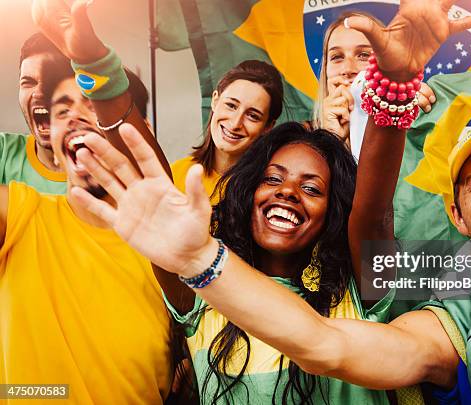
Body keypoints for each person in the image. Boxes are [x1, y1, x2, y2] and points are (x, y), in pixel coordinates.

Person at [71, 2, 471, 404]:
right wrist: (93, 61)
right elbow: (142, 164)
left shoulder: (359, 293)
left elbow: (332, 326)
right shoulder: (208, 297)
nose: (288, 193)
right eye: (274, 179)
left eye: (312, 189)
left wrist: (393, 91)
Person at [0, 61, 174, 404]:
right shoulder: (20, 216)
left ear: (142, 132)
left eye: (96, 106)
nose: (75, 116)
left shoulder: (170, 253)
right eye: (63, 108)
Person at [312, 12, 436, 155]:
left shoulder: (415, 115)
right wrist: (331, 141)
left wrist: (405, 115)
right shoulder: (301, 141)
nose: (347, 69)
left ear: (388, 62)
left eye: (364, 55)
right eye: (337, 57)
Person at [171, 60, 284, 204]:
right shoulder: (174, 174)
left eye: (253, 116)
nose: (235, 123)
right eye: (231, 105)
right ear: (215, 100)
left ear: (268, 126)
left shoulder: (268, 191)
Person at [0, 32, 71, 194]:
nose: (39, 93)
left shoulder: (101, 172)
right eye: (28, 82)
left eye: (51, 82)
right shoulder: (3, 151)